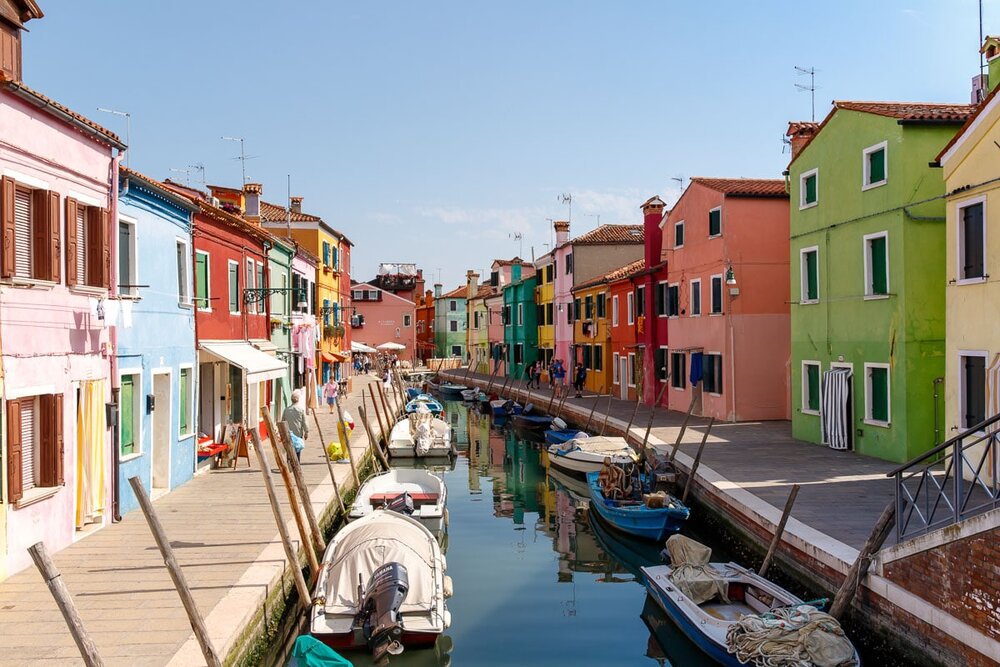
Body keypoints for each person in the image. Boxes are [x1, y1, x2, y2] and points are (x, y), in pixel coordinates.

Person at [282, 389, 309, 462]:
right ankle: (297, 462)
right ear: (298, 400)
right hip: (298, 433)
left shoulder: (286, 410)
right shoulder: (300, 410)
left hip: (288, 433)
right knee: (298, 448)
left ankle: (289, 462)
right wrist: (306, 432)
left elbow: (282, 421)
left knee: (289, 449)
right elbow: (304, 422)